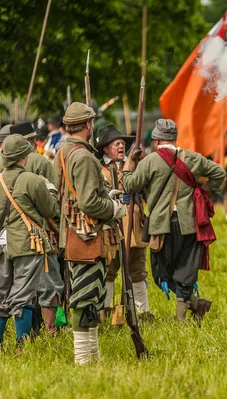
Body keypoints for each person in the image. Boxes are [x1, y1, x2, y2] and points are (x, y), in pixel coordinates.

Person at [122, 119, 225, 322]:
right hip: (189, 224)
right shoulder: (193, 158)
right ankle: (196, 306)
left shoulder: (149, 161)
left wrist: (129, 164)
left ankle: (181, 322)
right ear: (174, 139)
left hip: (162, 225)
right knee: (185, 270)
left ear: (156, 141)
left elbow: (129, 184)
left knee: (162, 271)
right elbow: (219, 173)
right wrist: (205, 191)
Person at [54, 102, 125, 364]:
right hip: (86, 235)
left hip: (73, 232)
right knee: (86, 297)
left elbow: (65, 196)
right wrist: (113, 209)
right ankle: (84, 359)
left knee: (91, 294)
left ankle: (92, 355)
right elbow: (87, 202)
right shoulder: (83, 156)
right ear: (87, 125)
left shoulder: (63, 152)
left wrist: (106, 194)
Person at [0, 135, 60, 348]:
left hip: (3, 245)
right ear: (24, 156)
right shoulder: (33, 180)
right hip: (28, 244)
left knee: (2, 293)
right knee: (23, 295)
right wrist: (51, 189)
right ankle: (21, 345)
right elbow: (50, 210)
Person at [97, 125, 154, 320]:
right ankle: (105, 310)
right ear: (105, 148)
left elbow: (143, 185)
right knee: (109, 271)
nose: (121, 146)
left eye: (123, 143)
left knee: (138, 271)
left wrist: (138, 161)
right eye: (116, 143)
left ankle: (142, 311)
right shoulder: (100, 169)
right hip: (112, 226)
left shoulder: (134, 166)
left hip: (135, 225)